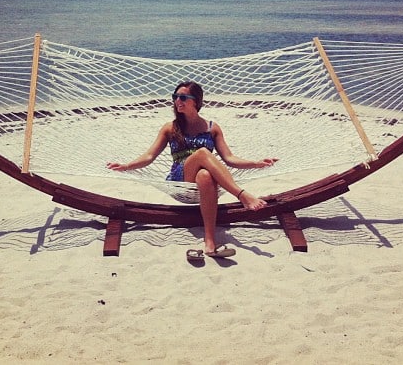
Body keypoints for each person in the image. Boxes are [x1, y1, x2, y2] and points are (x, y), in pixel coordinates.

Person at [107, 81, 277, 262]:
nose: (177, 101)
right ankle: (241, 195)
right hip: (180, 180)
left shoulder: (212, 128)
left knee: (205, 175)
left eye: (182, 97)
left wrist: (255, 163)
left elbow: (229, 158)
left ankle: (210, 243)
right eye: (175, 97)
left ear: (196, 101)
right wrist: (127, 166)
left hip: (204, 182)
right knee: (203, 153)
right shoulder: (170, 128)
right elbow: (149, 156)